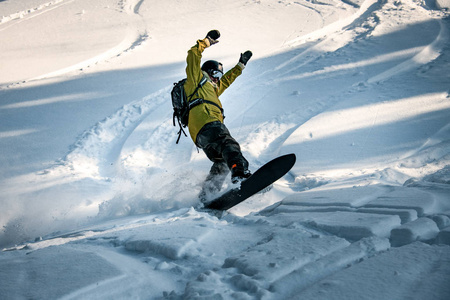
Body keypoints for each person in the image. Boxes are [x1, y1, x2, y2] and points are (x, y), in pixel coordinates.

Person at [184, 29, 253, 202]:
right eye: (215, 74)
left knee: (222, 161)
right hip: (208, 122)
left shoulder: (213, 88)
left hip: (201, 135)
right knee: (229, 145)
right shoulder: (196, 79)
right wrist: (206, 41)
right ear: (207, 71)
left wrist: (240, 66)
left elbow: (227, 80)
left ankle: (206, 195)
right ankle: (240, 173)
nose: (217, 79)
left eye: (219, 75)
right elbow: (193, 55)